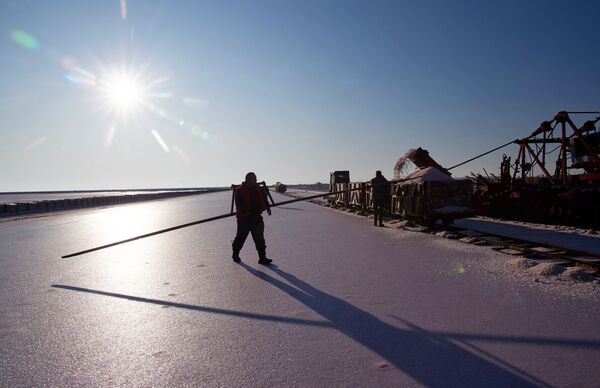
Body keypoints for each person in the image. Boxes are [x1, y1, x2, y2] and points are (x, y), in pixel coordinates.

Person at [232, 172, 273, 265]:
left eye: (254, 179)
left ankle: (262, 258)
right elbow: (239, 205)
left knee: (260, 239)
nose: (253, 181)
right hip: (244, 219)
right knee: (240, 238)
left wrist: (268, 208)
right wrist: (247, 213)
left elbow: (264, 199)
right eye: (251, 179)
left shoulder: (258, 189)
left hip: (256, 218)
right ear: (246, 180)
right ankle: (235, 255)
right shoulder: (239, 191)